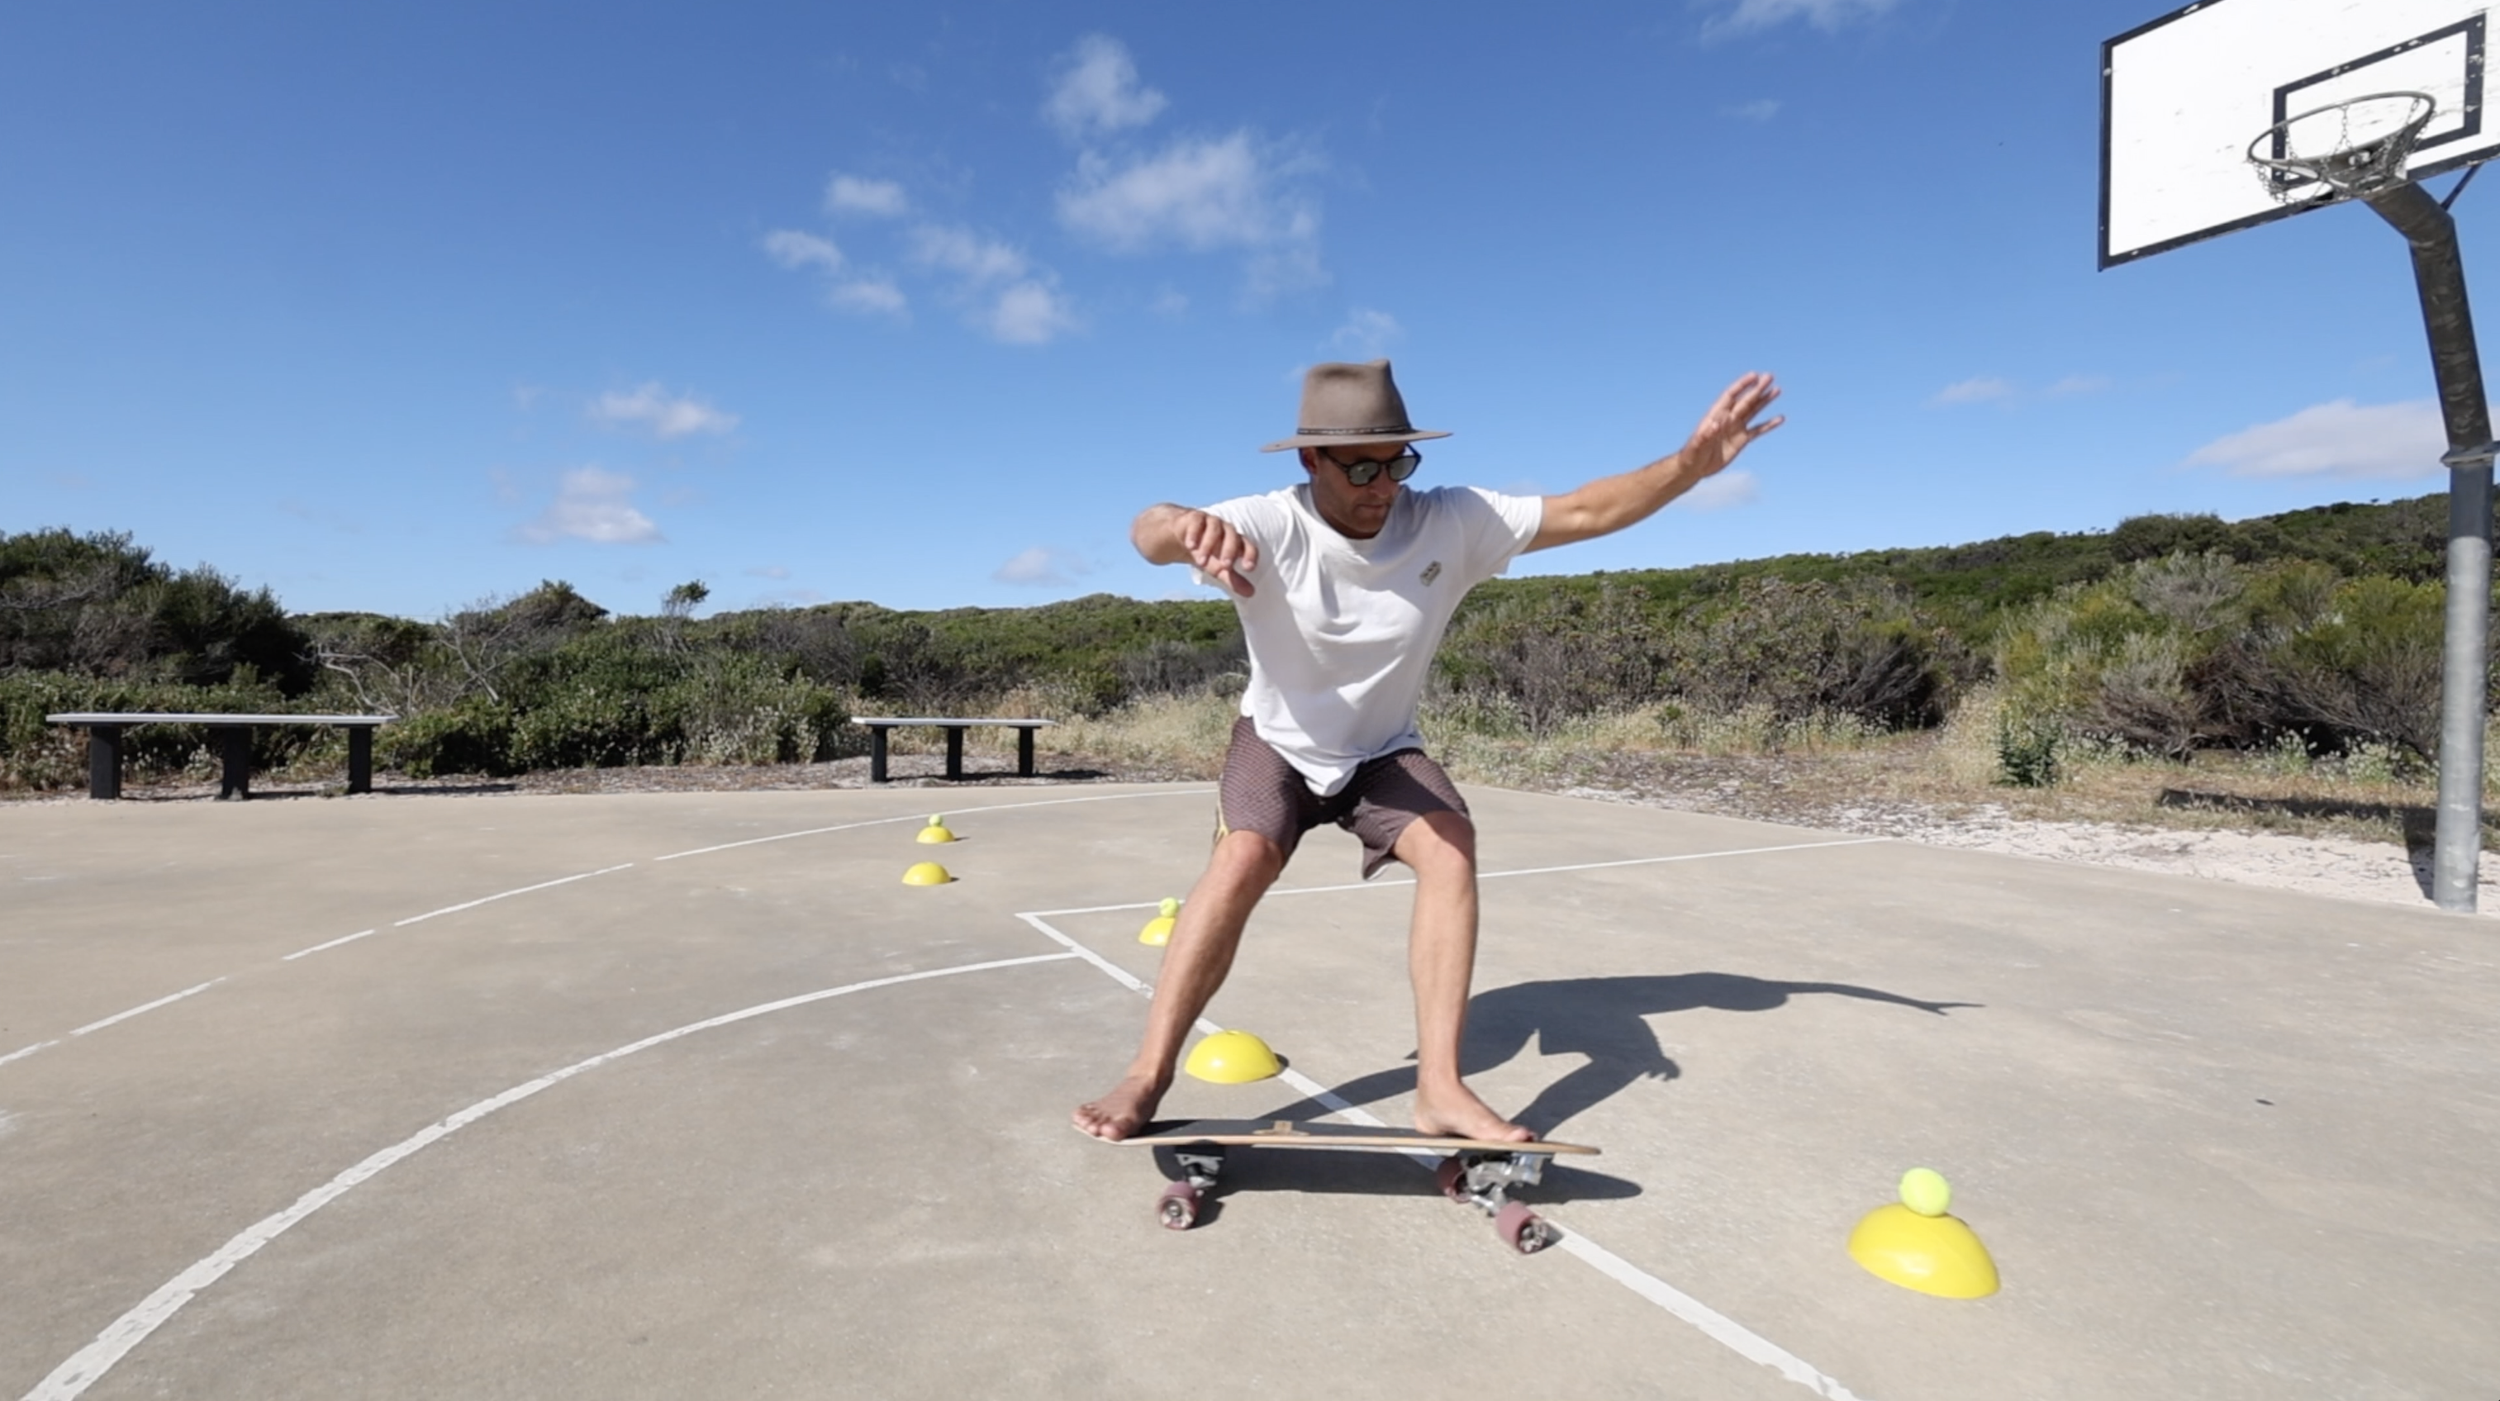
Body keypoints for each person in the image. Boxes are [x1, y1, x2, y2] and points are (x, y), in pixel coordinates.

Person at [1073, 359, 1783, 1143]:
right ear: (1311, 460)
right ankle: (1147, 1072)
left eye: (1398, 462)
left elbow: (1586, 509)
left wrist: (1688, 466)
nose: (1383, 485)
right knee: (1243, 856)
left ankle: (1440, 1088)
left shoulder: (1452, 520)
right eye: (1361, 467)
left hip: (1383, 750)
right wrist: (1181, 524)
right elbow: (1149, 532)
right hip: (1279, 742)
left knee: (1451, 846)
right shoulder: (1269, 523)